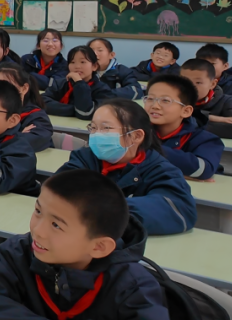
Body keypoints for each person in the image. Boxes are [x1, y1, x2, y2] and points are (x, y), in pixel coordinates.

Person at [0, 169, 168, 320]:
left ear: (99, 247)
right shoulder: (20, 251)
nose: (38, 230)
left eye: (56, 225)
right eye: (38, 211)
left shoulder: (134, 287)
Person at [56, 99, 197, 235]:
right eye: (93, 128)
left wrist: (102, 208)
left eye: (106, 128)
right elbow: (58, 189)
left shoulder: (160, 170)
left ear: (136, 136)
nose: (97, 135)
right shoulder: (85, 157)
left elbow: (179, 210)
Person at [145, 75, 224, 180]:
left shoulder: (206, 140)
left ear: (186, 111)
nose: (154, 105)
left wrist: (143, 149)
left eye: (165, 101)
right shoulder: (137, 131)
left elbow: (204, 170)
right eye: (150, 99)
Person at [0, 63, 53, 152]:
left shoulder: (37, 116)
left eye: (9, 86)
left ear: (24, 88)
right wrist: (18, 135)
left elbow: (29, 142)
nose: (3, 91)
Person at [42, 46, 116, 120]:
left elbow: (85, 113)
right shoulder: (60, 83)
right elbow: (41, 102)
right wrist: (74, 110)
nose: (77, 66)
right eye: (72, 62)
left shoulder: (102, 90)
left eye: (83, 62)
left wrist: (79, 83)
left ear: (94, 66)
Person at [180, 58, 232, 139]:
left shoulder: (229, 101)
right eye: (185, 81)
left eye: (198, 82)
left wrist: (189, 122)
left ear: (212, 84)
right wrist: (210, 118)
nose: (190, 87)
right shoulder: (173, 99)